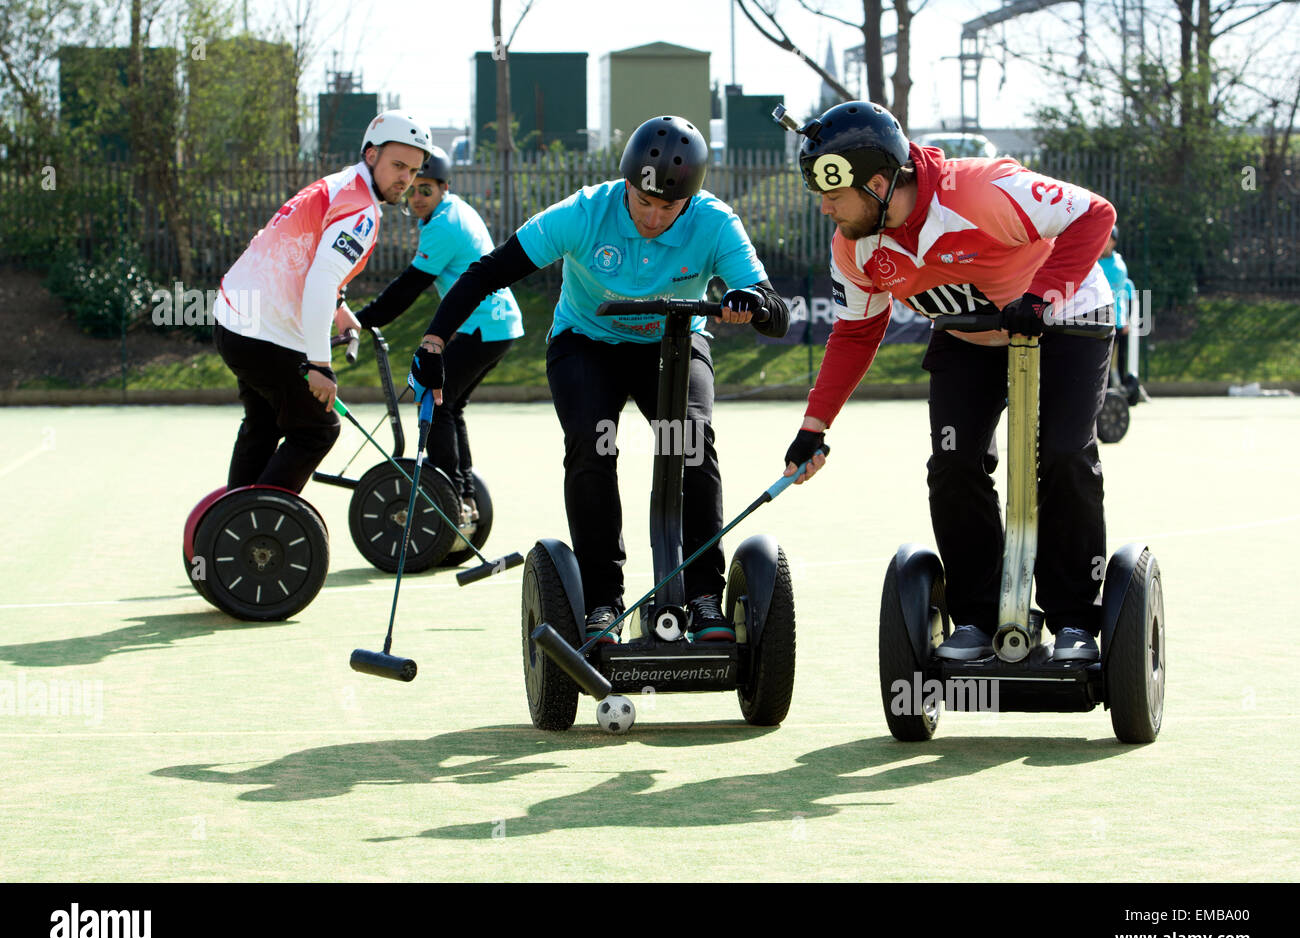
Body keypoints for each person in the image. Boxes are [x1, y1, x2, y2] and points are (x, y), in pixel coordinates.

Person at [409, 115, 790, 644]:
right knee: (592, 446)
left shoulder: (715, 221)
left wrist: (751, 303)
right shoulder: (585, 212)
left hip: (674, 342)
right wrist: (433, 341)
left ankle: (704, 597)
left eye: (669, 208)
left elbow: (775, 311)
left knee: (694, 442)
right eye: (644, 202)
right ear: (628, 184)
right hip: (586, 342)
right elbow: (488, 271)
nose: (654, 218)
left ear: (690, 199)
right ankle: (603, 601)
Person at [781, 101, 1117, 662]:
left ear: (881, 184)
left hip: (1064, 321)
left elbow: (1094, 214)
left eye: (834, 195)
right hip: (969, 338)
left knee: (1060, 455)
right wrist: (814, 427)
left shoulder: (983, 191)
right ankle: (980, 618)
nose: (824, 208)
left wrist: (1042, 295)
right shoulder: (855, 243)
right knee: (953, 465)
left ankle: (1076, 621)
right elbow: (856, 333)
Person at [212, 111, 432, 492]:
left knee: (264, 424)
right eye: (398, 165)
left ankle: (231, 522)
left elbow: (308, 258)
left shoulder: (339, 185)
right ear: (371, 155)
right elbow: (318, 282)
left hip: (234, 320)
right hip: (266, 332)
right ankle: (260, 526)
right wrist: (319, 365)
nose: (405, 180)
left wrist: (338, 307)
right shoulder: (360, 211)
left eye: (413, 172)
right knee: (318, 430)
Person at [348, 146, 524, 523]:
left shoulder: (445, 224)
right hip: (496, 325)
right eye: (412, 187)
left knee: (435, 397)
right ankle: (464, 495)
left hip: (484, 327)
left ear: (444, 187)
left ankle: (456, 499)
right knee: (451, 404)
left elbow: (408, 287)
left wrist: (360, 320)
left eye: (425, 189)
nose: (416, 197)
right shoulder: (453, 210)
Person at [1098, 225, 1144, 402]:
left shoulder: (1118, 267)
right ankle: (1105, 391)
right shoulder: (1096, 261)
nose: (1104, 244)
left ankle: (1122, 391)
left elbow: (1117, 298)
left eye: (1108, 240)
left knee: (1118, 358)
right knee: (1104, 360)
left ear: (1114, 242)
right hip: (1100, 321)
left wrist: (1124, 321)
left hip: (1115, 322)